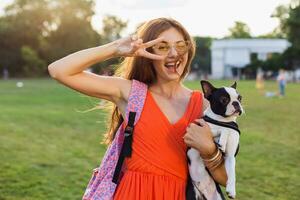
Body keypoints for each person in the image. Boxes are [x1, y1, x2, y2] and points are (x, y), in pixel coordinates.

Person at [48, 17, 227, 199]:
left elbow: (226, 179)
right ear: (147, 53)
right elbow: (59, 70)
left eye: (180, 45)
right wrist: (116, 48)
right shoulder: (131, 93)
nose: (174, 53)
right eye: (163, 46)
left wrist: (209, 150)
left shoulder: (205, 105)